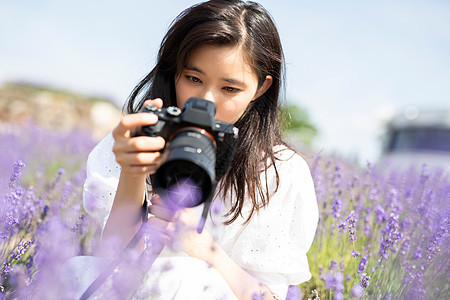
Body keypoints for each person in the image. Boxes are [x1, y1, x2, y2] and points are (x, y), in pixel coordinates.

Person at [78, 0, 319, 299]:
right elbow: (110, 259)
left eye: (230, 89)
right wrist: (133, 172)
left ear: (261, 88)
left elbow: (269, 296)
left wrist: (207, 251)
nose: (206, 100)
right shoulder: (137, 140)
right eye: (193, 79)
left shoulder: (282, 172)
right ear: (175, 70)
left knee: (182, 277)